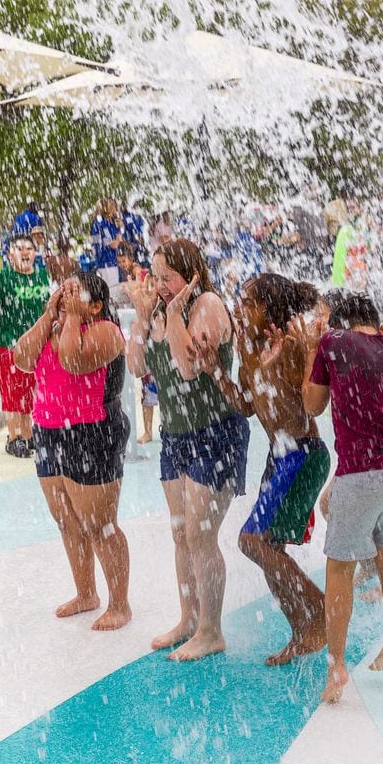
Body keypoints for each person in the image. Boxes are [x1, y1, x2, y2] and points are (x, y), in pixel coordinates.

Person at [190, 273, 331, 665]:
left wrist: (304, 354)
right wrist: (213, 370)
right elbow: (247, 405)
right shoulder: (248, 348)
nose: (240, 308)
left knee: (252, 542)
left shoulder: (291, 344)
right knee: (269, 549)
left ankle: (319, 609)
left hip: (302, 453)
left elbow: (310, 405)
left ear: (270, 310)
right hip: (280, 455)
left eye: (248, 303)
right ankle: (303, 629)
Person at [127, 238, 250, 661]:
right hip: (176, 435)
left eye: (169, 277)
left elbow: (185, 366)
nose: (161, 285)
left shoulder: (209, 306)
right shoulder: (160, 311)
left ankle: (212, 631)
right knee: (181, 534)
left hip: (215, 432)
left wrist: (175, 314)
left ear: (192, 273)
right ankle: (188, 619)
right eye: (155, 277)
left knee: (200, 535)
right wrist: (142, 319)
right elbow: (137, 366)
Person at [303, 294, 383, 702]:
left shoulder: (332, 342)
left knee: (340, 568)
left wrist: (310, 350)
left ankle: (336, 665)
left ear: (339, 323)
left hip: (363, 472)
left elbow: (312, 404)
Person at [13, 272, 131, 631]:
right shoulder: (54, 326)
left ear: (95, 304)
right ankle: (86, 593)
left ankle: (120, 604)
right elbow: (22, 357)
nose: (65, 296)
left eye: (74, 293)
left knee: (100, 524)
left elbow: (72, 360)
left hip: (93, 432)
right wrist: (50, 314)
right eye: (63, 290)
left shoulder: (107, 330)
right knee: (67, 520)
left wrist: (75, 316)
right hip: (49, 431)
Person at [0, 235, 50, 458]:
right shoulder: (2, 278)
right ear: (10, 254)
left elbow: (49, 309)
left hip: (35, 346)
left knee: (31, 392)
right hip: (8, 344)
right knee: (12, 393)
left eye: (29, 248)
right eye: (19, 248)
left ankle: (29, 436)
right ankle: (14, 437)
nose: (25, 252)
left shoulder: (42, 276)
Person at [91, 199, 123, 291]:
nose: (114, 208)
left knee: (107, 292)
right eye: (112, 206)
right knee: (112, 291)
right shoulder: (103, 224)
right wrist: (120, 229)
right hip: (107, 264)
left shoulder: (104, 223)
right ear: (105, 208)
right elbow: (115, 244)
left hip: (105, 263)